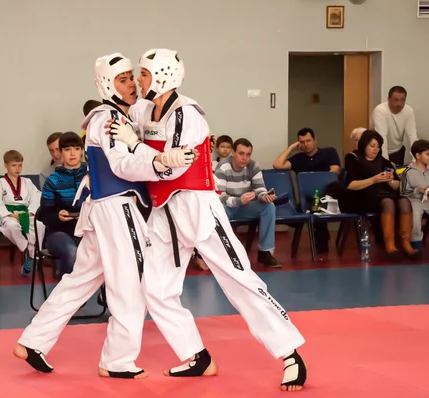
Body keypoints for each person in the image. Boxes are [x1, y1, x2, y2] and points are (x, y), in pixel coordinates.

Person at [107, 48, 307, 391]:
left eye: (142, 73)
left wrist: (135, 145)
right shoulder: (144, 108)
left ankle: (291, 354)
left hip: (198, 208)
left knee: (237, 278)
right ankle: (195, 354)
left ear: (162, 76)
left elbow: (175, 163)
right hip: (164, 211)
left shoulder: (188, 114)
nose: (138, 80)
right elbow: (127, 119)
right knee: (154, 288)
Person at [14, 53, 192, 378]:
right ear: (108, 84)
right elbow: (122, 164)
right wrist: (163, 162)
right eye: (123, 78)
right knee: (131, 284)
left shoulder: (115, 116)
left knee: (80, 281)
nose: (132, 83)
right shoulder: (110, 119)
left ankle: (33, 341)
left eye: (131, 77)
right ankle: (117, 361)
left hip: (104, 209)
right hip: (116, 207)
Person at [340, 130, 420, 260]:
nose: (375, 149)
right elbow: (350, 185)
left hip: (383, 193)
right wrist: (374, 179)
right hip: (361, 196)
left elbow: (398, 185)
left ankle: (406, 243)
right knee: (388, 202)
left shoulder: (384, 162)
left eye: (378, 146)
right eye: (372, 146)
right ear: (364, 145)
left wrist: (389, 181)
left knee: (404, 201)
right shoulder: (353, 159)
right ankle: (390, 245)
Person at [272, 128, 341, 254]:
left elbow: (335, 170)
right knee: (314, 205)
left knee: (320, 202)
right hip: (309, 198)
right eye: (302, 142)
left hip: (329, 195)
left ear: (315, 140)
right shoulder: (298, 159)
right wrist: (291, 148)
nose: (305, 144)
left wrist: (320, 182)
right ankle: (321, 240)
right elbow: (277, 165)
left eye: (308, 140)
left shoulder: (329, 152)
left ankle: (322, 239)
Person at [214, 138, 280, 267]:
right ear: (233, 153)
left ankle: (265, 252)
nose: (245, 158)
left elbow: (260, 189)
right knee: (217, 209)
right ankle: (221, 254)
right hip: (227, 207)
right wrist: (239, 200)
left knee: (269, 207)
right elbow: (219, 196)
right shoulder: (222, 167)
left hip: (244, 207)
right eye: (241, 153)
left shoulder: (253, 166)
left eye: (248, 154)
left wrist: (264, 197)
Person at [38, 132, 87, 278]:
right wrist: (57, 216)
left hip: (88, 231)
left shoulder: (92, 175)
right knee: (72, 253)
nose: (72, 153)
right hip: (59, 233)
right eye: (67, 149)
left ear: (82, 151)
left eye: (77, 149)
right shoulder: (52, 180)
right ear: (60, 152)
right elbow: (45, 214)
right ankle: (67, 293)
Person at [0, 150, 44, 276]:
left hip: (25, 213)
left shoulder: (27, 182)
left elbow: (37, 197)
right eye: (14, 165)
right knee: (11, 226)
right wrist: (9, 215)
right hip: (9, 214)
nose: (17, 168)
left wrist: (31, 212)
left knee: (39, 225)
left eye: (20, 165)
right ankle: (27, 248)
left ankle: (32, 257)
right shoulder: (0, 183)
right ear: (6, 165)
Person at [371, 86, 418, 165]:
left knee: (398, 175)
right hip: (380, 151)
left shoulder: (408, 110)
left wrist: (416, 159)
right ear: (388, 99)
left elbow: (412, 135)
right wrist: (385, 162)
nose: (399, 103)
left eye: (402, 100)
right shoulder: (380, 110)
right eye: (396, 100)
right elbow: (382, 137)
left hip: (398, 150)